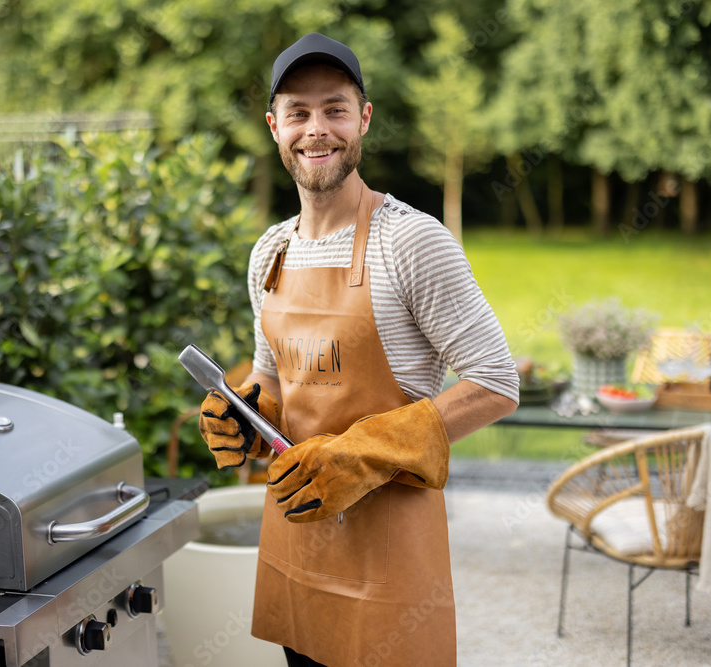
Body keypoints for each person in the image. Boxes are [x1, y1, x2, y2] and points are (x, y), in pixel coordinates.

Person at [197, 32, 519, 667]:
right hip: (301, 540)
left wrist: (365, 452)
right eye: (299, 112)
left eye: (335, 109)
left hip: (389, 562)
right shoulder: (270, 252)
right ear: (274, 126)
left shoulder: (411, 241)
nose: (317, 130)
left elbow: (496, 381)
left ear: (363, 118)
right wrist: (246, 414)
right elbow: (276, 381)